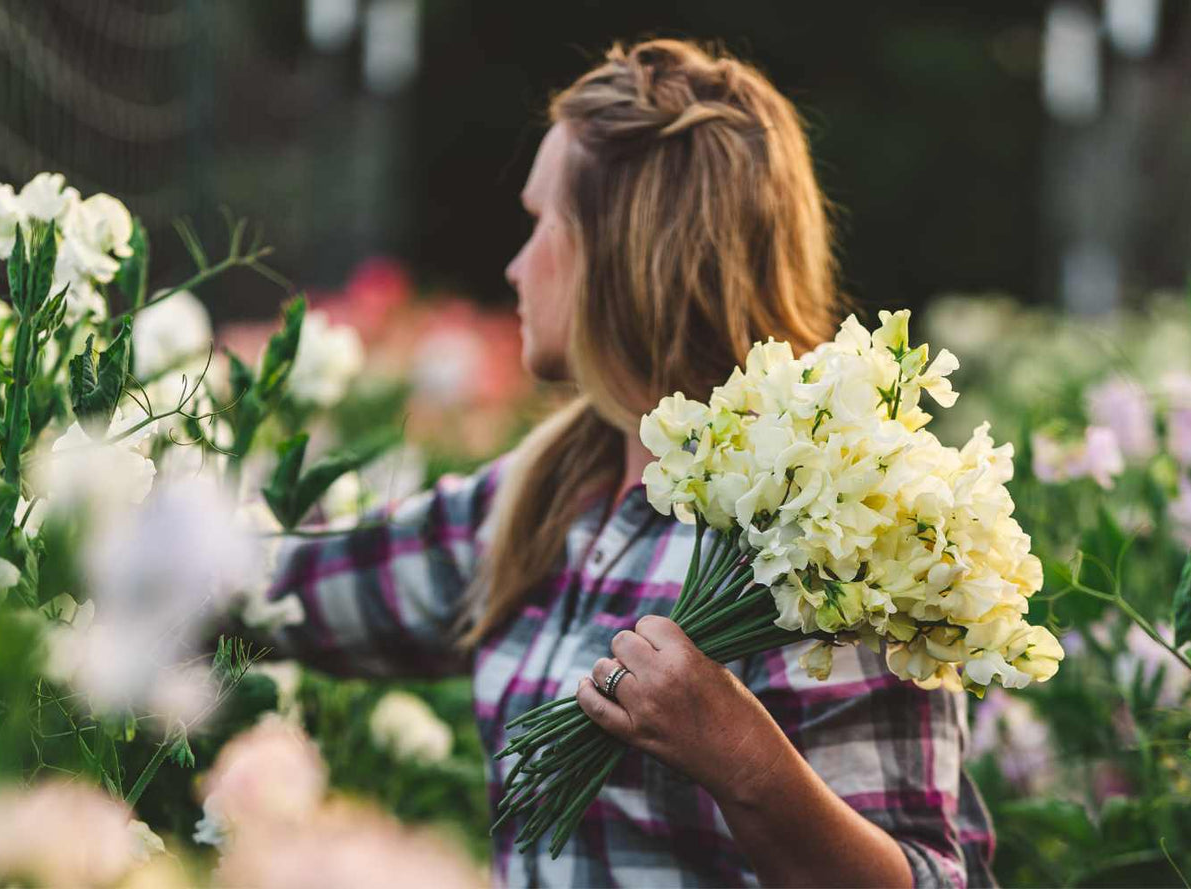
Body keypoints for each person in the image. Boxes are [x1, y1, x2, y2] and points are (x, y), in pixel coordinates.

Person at [266, 38, 995, 888]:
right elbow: (292, 589)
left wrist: (748, 763)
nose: (514, 264)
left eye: (542, 224)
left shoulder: (831, 532)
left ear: (619, 253)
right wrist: (103, 540)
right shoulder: (547, 491)